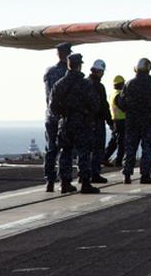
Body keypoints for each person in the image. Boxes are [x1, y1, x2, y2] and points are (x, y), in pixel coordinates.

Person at [49, 52, 100, 194]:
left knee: (65, 152)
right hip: (82, 124)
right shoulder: (85, 85)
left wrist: (63, 115)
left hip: (65, 123)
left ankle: (65, 183)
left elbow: (52, 106)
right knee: (83, 153)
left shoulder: (59, 84)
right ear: (79, 66)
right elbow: (95, 104)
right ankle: (85, 183)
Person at [118, 58, 151, 184]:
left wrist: (129, 111)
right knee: (147, 149)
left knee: (130, 148)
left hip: (132, 121)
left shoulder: (129, 84)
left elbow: (121, 102)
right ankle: (145, 175)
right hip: (149, 122)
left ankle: (127, 175)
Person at [42, 42, 71, 192]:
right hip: (63, 116)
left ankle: (49, 181)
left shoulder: (49, 72)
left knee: (51, 149)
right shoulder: (68, 73)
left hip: (50, 115)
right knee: (65, 148)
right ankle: (65, 181)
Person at [87, 59, 112, 183]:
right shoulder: (99, 86)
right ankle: (95, 174)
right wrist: (110, 122)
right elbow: (104, 105)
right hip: (97, 122)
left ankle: (85, 175)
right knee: (97, 149)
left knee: (86, 149)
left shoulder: (84, 83)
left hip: (85, 122)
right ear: (100, 71)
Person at [104, 75, 127, 167]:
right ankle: (119, 161)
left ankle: (105, 157)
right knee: (122, 142)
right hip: (122, 120)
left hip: (115, 120)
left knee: (114, 141)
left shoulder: (112, 93)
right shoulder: (119, 95)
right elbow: (123, 107)